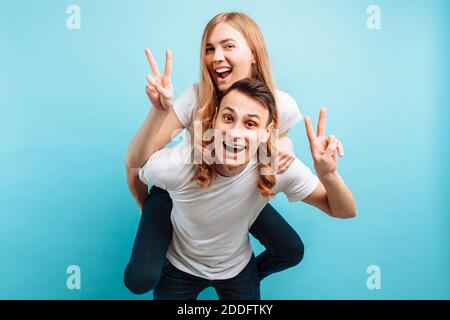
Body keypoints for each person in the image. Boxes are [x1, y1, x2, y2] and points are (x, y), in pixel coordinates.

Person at [125, 12, 309, 295]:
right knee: (140, 278)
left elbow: (277, 144)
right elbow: (141, 159)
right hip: (186, 189)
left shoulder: (280, 103)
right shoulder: (195, 97)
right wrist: (146, 208)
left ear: (254, 54)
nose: (215, 56)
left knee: (291, 249)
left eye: (228, 46)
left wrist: (286, 145)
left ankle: (240, 278)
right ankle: (183, 268)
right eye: (209, 49)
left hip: (238, 192)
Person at [136, 78, 357, 300]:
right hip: (179, 269)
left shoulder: (277, 166)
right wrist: (149, 213)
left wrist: (328, 175)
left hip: (237, 271)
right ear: (214, 120)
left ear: (267, 132)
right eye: (228, 118)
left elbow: (344, 210)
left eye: (250, 124)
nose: (234, 133)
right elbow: (137, 168)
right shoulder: (176, 165)